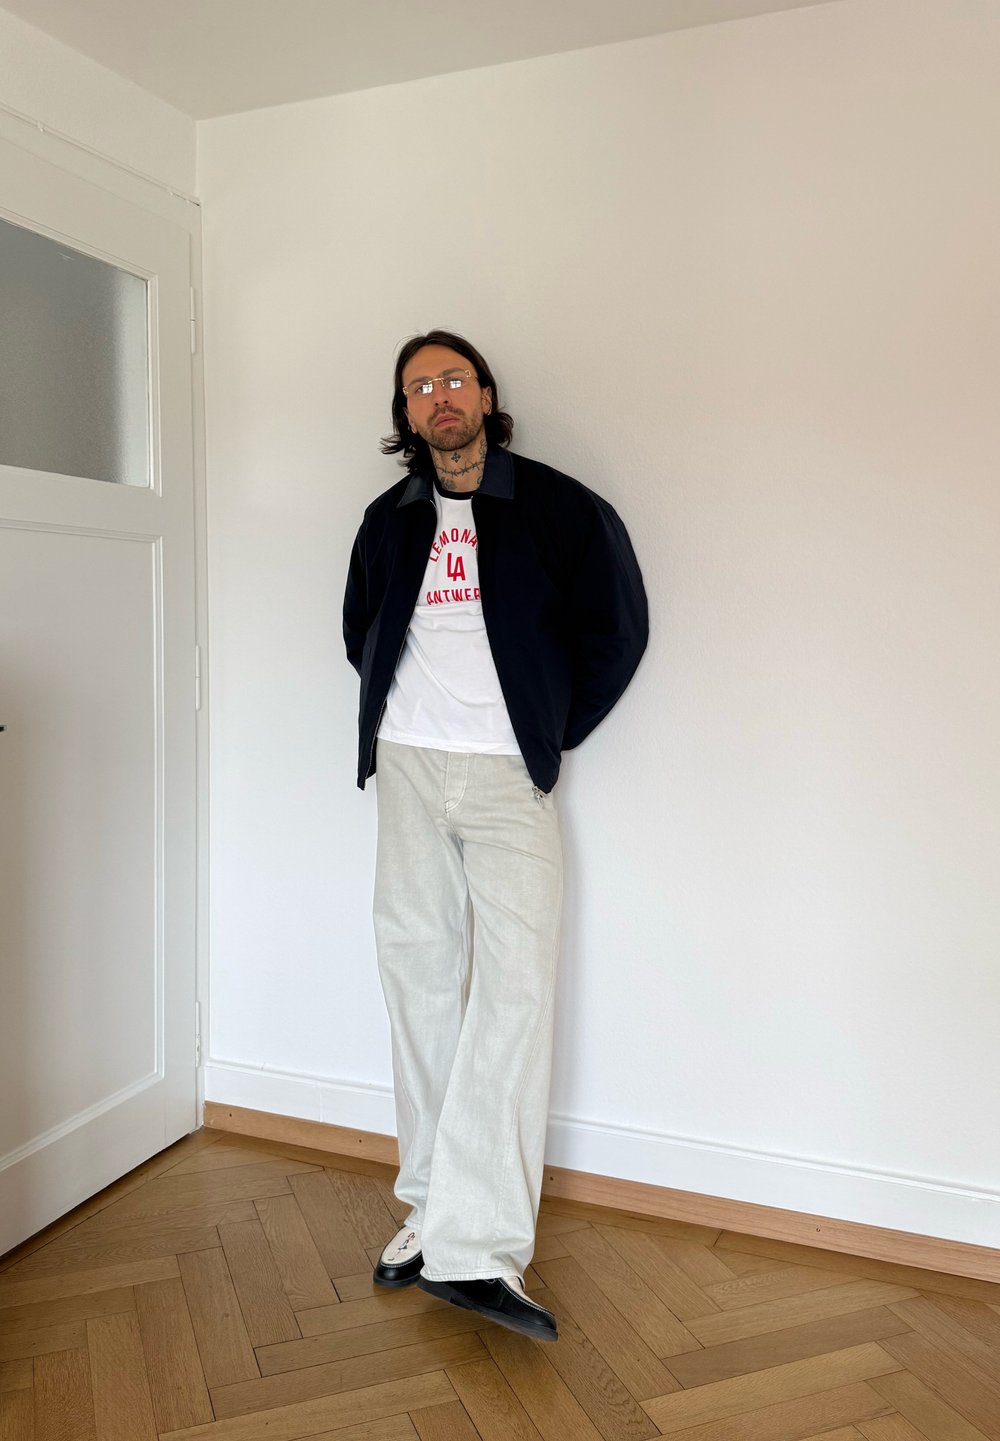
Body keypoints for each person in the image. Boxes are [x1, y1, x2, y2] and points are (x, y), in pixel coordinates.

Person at [343, 329, 648, 1342]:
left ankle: (476, 1249)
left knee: (513, 992)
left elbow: (617, 631)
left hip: (508, 776)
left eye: (452, 379)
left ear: (484, 393)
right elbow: (360, 629)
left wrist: (545, 730)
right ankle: (430, 1209)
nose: (438, 396)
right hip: (407, 767)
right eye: (418, 386)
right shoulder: (388, 518)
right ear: (406, 412)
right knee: (418, 980)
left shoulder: (560, 508)